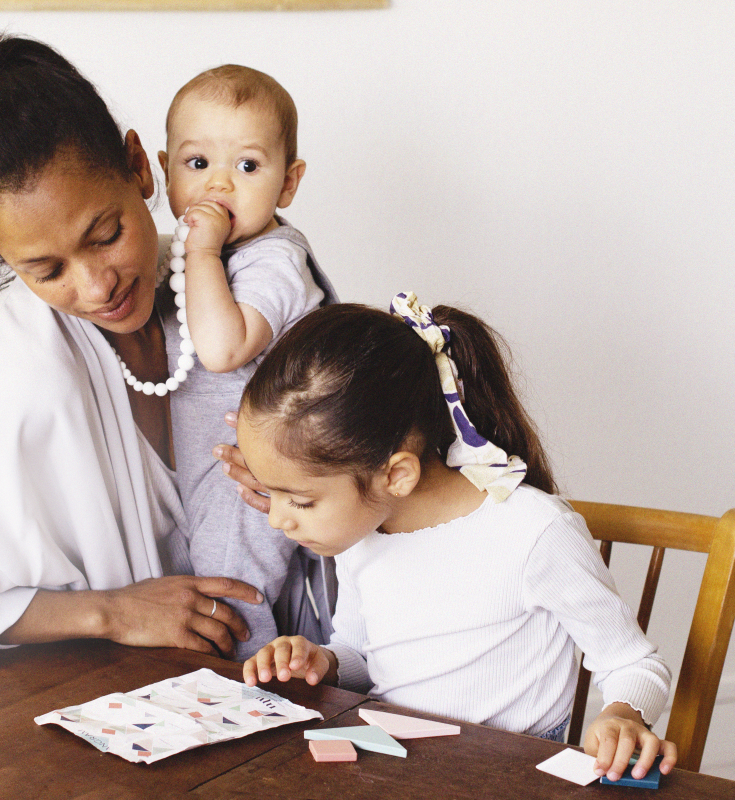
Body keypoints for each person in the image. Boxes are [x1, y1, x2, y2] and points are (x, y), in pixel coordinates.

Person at [0, 33, 336, 676]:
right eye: (45, 268)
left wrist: (305, 475)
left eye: (107, 234)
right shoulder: (26, 363)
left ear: (141, 167)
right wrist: (110, 612)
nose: (97, 287)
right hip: (132, 699)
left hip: (304, 668)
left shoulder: (228, 278)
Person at [238, 294, 678, 784]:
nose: (278, 520)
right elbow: (364, 655)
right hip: (397, 767)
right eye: (268, 494)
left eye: (299, 501)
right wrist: (322, 661)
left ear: (397, 474)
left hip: (510, 777)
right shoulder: (363, 534)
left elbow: (634, 662)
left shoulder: (532, 531)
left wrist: (622, 714)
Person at [153, 65, 332, 658]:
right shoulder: (191, 255)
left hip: (252, 474)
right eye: (197, 164)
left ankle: (242, 686)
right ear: (164, 169)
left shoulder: (273, 261)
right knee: (193, 582)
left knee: (231, 592)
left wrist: (201, 249)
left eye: (248, 167)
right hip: (202, 470)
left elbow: (225, 348)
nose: (219, 186)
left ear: (288, 183)